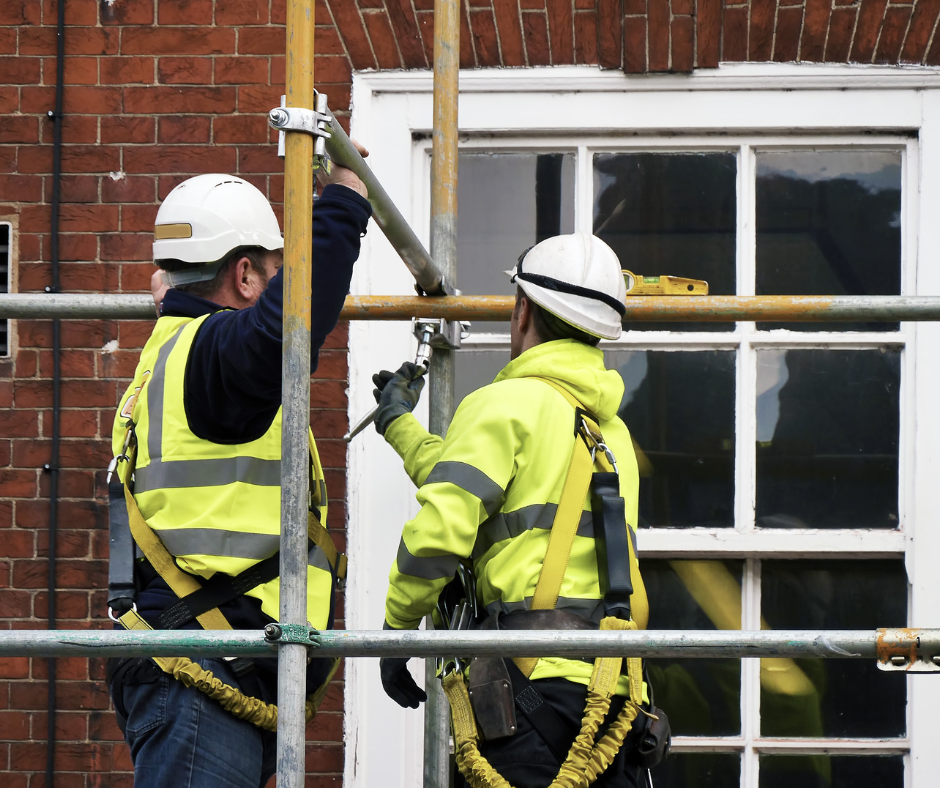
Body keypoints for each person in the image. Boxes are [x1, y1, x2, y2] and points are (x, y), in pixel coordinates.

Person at [106, 158, 371, 788]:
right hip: (201, 667)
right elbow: (287, 327)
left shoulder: (179, 348)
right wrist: (344, 200)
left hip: (204, 661)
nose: (281, 282)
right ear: (245, 273)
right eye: (273, 269)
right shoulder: (213, 352)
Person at [372, 233, 667, 788]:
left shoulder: (501, 405)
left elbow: (439, 534)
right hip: (616, 707)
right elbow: (478, 478)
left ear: (524, 308)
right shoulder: (613, 434)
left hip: (528, 699)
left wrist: (397, 632)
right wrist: (402, 426)